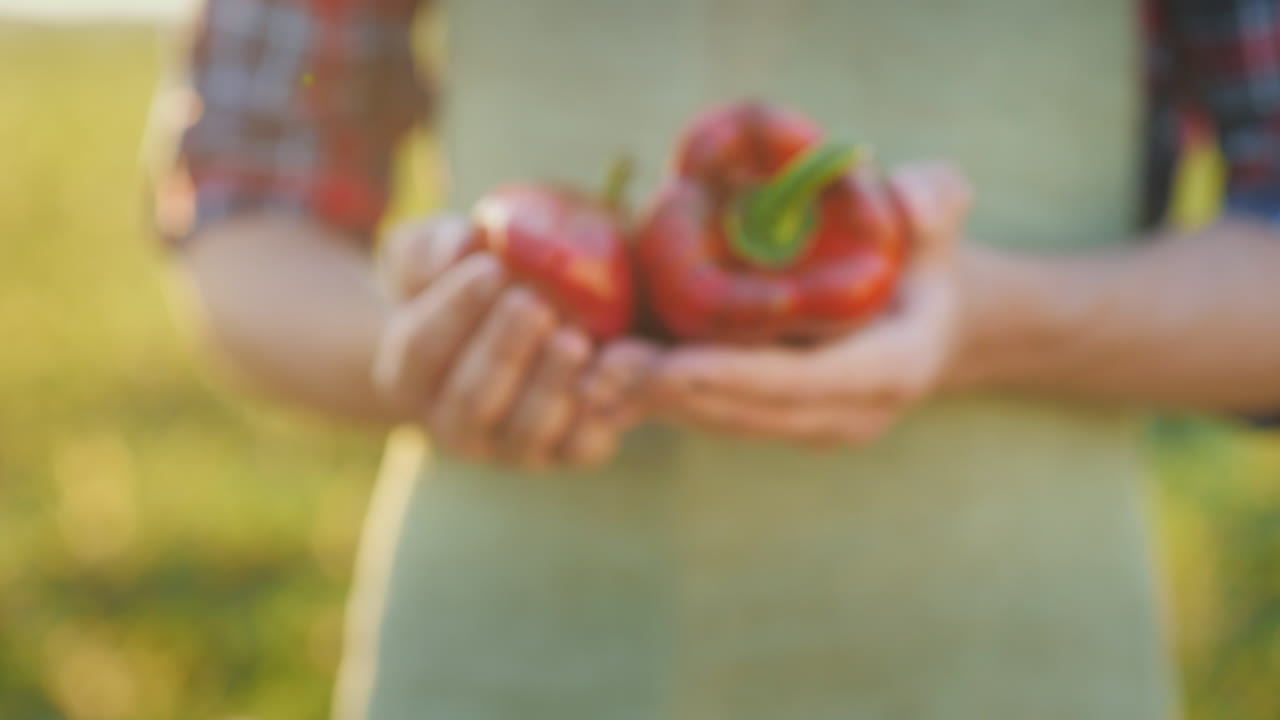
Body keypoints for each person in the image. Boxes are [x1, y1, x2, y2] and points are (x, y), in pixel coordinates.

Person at [151, 0, 1280, 717]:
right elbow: (254, 206)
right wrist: (410, 360)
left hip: (1018, 659)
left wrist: (991, 324)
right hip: (500, 663)